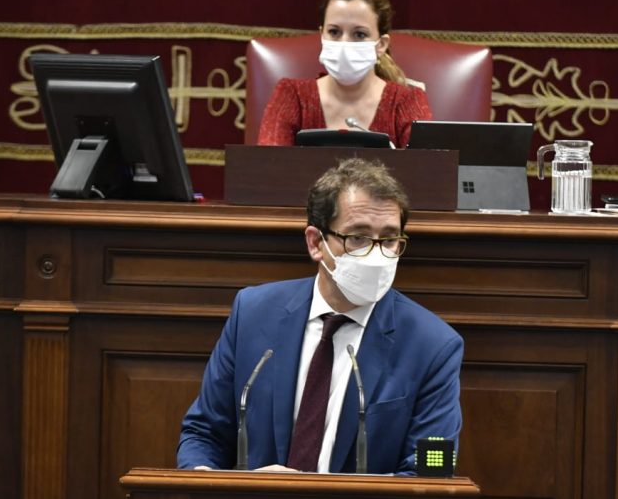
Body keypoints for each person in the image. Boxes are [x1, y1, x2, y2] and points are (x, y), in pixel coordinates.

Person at [177, 158, 462, 474]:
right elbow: (204, 432)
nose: (377, 254)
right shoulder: (254, 313)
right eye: (359, 237)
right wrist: (204, 482)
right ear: (316, 243)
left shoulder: (433, 345)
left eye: (390, 239)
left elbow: (431, 470)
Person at [257, 0, 433, 148]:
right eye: (334, 32)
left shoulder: (407, 101)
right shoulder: (292, 96)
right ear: (321, 35)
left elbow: (429, 171)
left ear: (381, 45)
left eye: (359, 34)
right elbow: (268, 169)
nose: (344, 43)